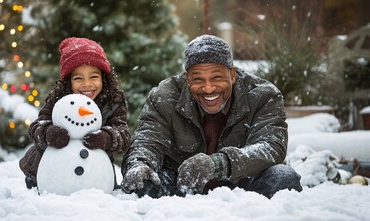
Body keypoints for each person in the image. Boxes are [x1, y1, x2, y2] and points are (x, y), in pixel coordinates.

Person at [121, 35, 302, 199]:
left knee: (284, 179)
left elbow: (271, 147)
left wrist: (217, 164)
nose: (208, 88)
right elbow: (147, 141)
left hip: (242, 186)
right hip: (180, 187)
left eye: (216, 78)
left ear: (232, 74)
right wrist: (139, 164)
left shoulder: (263, 95)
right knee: (142, 182)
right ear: (187, 78)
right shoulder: (164, 96)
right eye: (198, 79)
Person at [19, 37, 131, 189]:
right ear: (68, 81)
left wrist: (106, 138)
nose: (87, 84)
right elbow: (36, 127)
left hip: (94, 173)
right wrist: (49, 133)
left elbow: (123, 135)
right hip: (50, 171)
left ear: (104, 79)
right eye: (78, 78)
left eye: (94, 77)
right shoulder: (57, 100)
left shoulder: (112, 102)